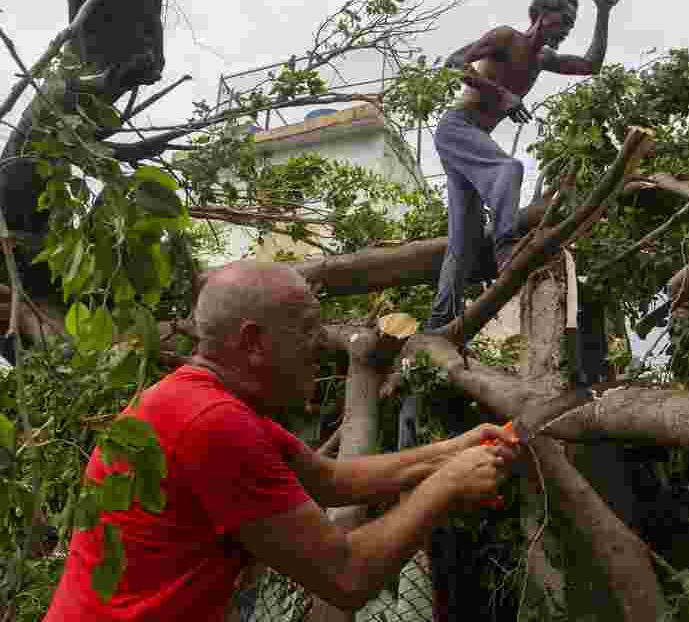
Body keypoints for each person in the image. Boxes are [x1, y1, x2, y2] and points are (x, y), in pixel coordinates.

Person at [43, 261, 519, 620]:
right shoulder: (213, 423)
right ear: (253, 344)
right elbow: (346, 577)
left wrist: (454, 449)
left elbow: (331, 480)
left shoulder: (203, 402)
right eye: (307, 329)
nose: (319, 343)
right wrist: (445, 487)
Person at [425, 0, 619, 332]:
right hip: (457, 128)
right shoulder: (505, 38)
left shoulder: (542, 59)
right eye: (564, 21)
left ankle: (440, 322)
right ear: (542, 16)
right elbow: (454, 63)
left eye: (572, 26)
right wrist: (501, 95)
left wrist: (603, 13)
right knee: (509, 167)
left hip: (473, 139)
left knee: (464, 240)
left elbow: (591, 65)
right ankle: (506, 247)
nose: (567, 30)